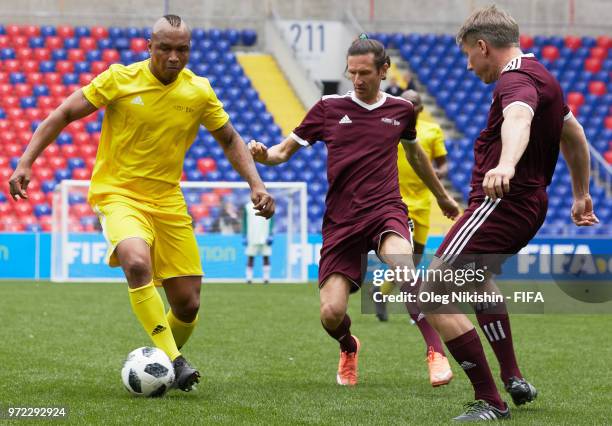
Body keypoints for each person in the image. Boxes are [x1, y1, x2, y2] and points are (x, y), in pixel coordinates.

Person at [8, 14, 275, 392]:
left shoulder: (198, 91)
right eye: (164, 47)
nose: (173, 56)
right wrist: (26, 161)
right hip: (118, 193)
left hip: (167, 199)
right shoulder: (119, 79)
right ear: (148, 46)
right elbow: (64, 112)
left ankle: (159, 363)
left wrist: (256, 184)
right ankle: (176, 362)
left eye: (181, 49)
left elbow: (230, 139)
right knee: (136, 262)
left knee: (188, 304)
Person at [417, 5, 599, 421]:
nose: (467, 65)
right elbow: (575, 133)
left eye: (468, 54)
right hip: (529, 204)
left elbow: (518, 118)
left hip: (501, 203)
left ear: (483, 46)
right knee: (479, 281)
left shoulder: (514, 80)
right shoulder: (542, 75)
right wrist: (581, 193)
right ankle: (513, 378)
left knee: (432, 295)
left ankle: (491, 401)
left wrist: (506, 164)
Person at [249, 35, 460, 387]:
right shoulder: (328, 108)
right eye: (352, 73)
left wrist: (441, 196)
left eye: (365, 73)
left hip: (385, 209)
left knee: (404, 268)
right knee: (331, 314)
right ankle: (349, 346)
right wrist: (262, 155)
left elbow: (415, 156)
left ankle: (435, 352)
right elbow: (282, 152)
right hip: (341, 221)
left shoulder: (401, 111)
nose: (358, 80)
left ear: (384, 70)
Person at [373, 89, 449, 321]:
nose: (410, 105)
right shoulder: (387, 127)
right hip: (396, 202)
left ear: (421, 108)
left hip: (423, 203)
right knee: (404, 260)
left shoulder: (432, 130)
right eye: (405, 102)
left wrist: (438, 173)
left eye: (414, 103)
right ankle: (415, 308)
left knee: (415, 259)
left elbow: (443, 164)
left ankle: (381, 293)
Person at [243, 199, 273, 284]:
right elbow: (244, 221)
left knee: (266, 256)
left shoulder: (267, 206)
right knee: (250, 257)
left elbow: (272, 220)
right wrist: (244, 235)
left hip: (265, 235)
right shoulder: (247, 207)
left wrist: (271, 234)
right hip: (252, 236)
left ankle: (266, 278)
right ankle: (249, 278)